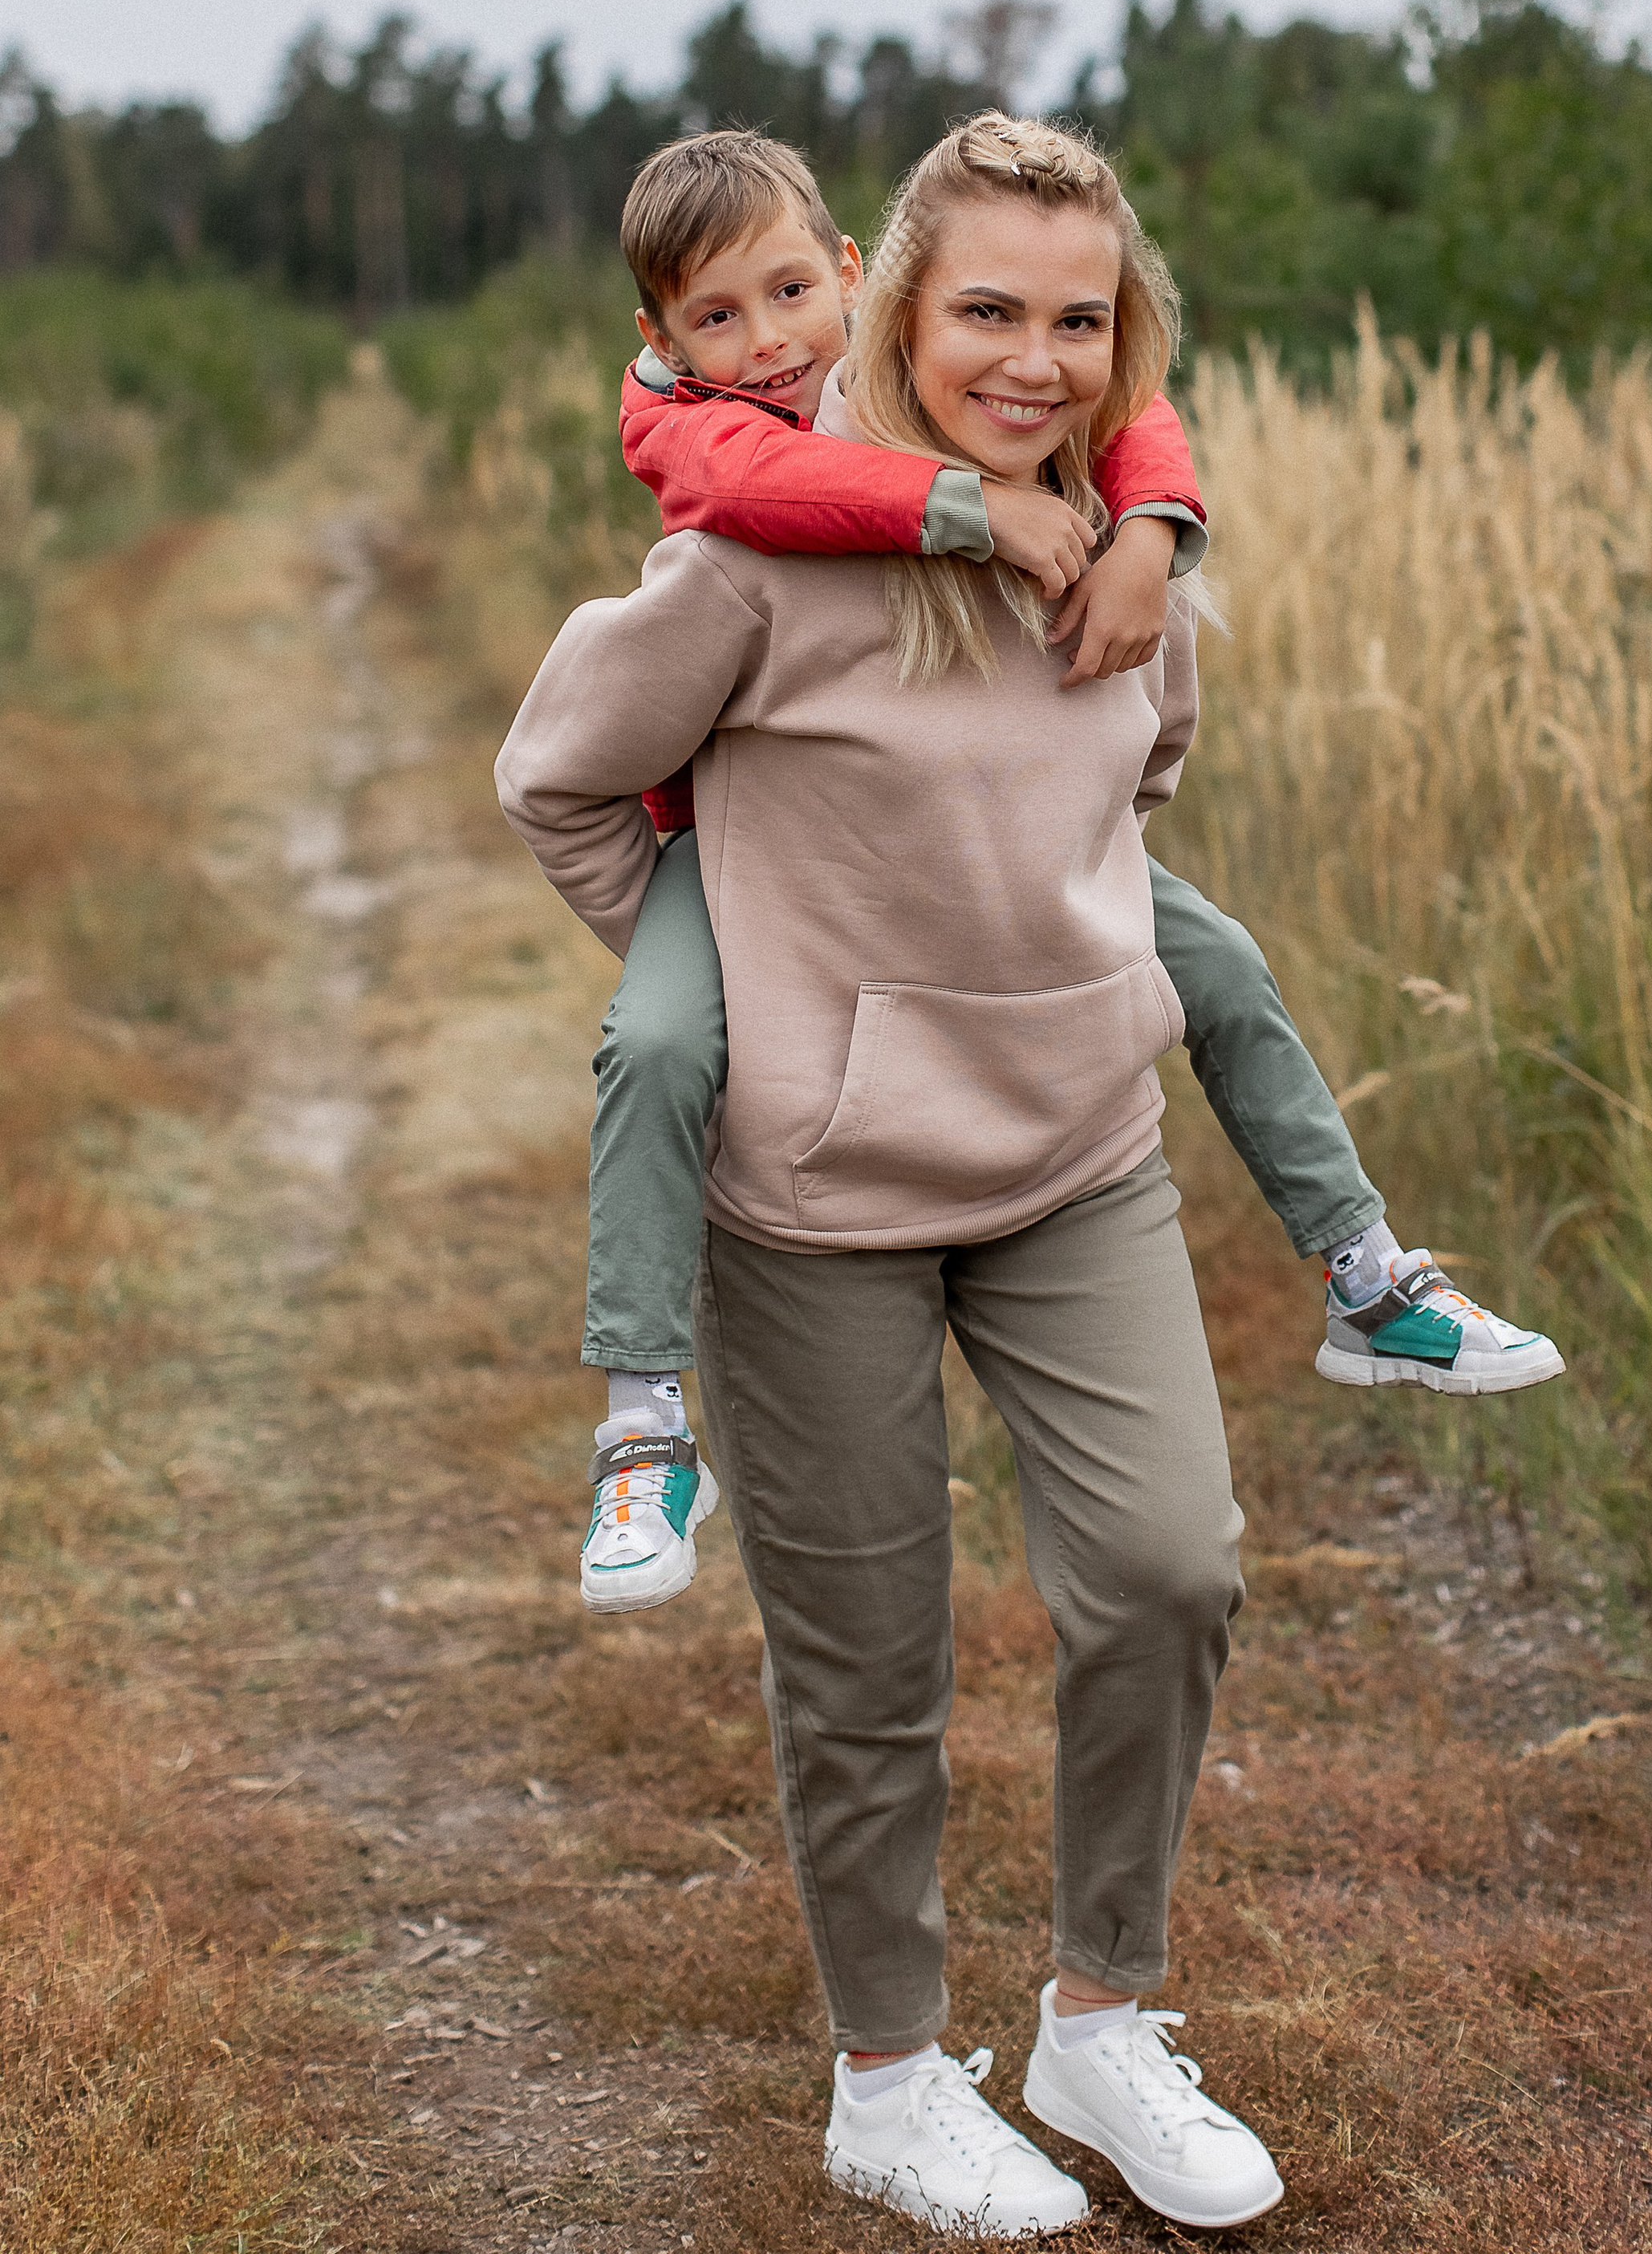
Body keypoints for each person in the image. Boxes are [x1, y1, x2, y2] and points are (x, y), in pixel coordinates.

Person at [500, 116, 1289, 2230]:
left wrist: (1150, 550)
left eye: (1076, 317)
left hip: (1076, 1158)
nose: (1031, 358)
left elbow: (1146, 782)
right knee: (867, 1660)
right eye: (988, 314)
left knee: (1171, 1570)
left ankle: (1101, 2025)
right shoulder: (754, 563)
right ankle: (890, 2079)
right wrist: (746, 987)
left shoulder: (1136, 558)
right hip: (814, 1190)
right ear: (898, 311)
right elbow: (558, 775)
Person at [564, 129, 1563, 1614]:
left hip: (1052, 1021)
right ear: (664, 340)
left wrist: (1155, 527)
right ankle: (641, 1421)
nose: (765, 346)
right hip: (739, 872)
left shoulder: (1090, 483)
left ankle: (1367, 1272)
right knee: (654, 1041)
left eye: (789, 295)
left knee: (1218, 962)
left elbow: (1134, 438)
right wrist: (754, 942)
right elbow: (592, 735)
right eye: (717, 318)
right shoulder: (711, 451)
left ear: (852, 278)